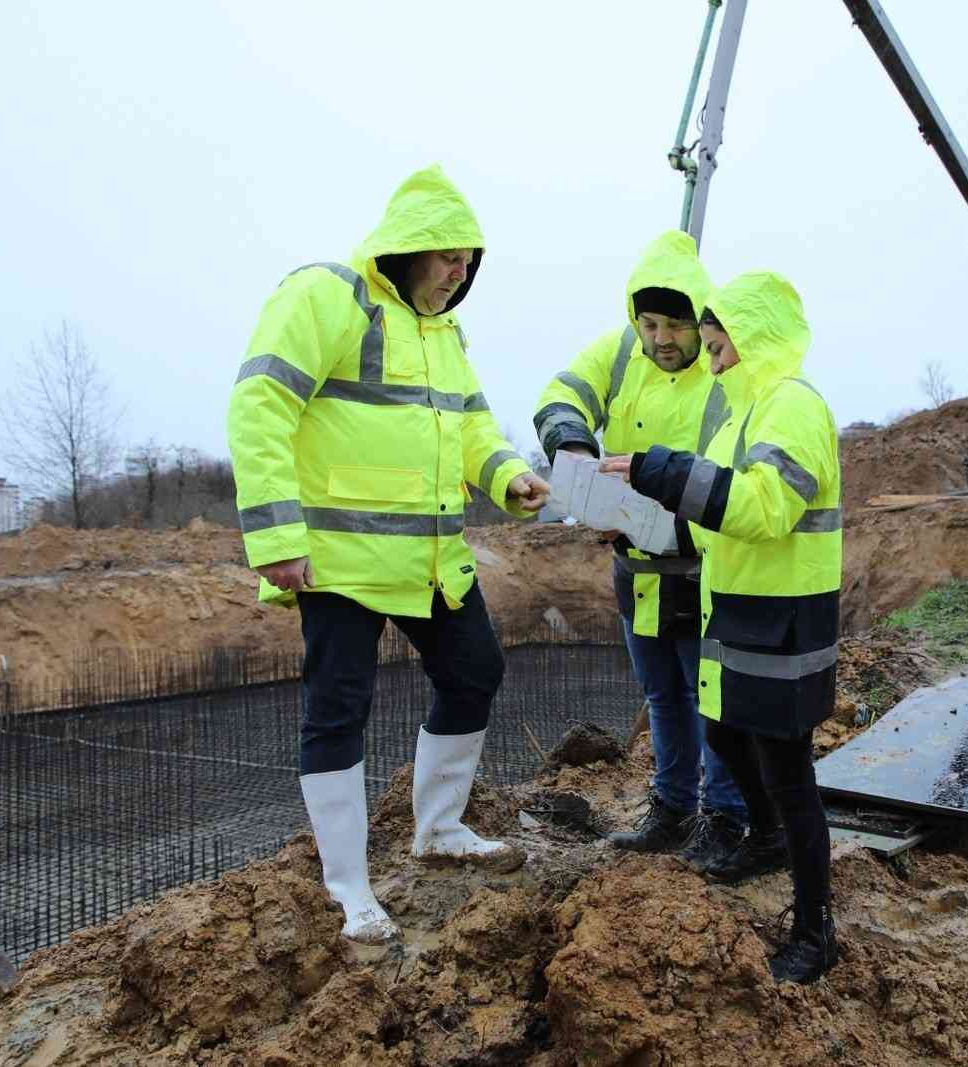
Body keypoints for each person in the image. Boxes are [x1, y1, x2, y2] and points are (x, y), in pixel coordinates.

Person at [227, 165, 551, 945]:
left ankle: (437, 829)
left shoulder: (446, 335)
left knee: (475, 671)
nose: (461, 271)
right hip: (338, 562)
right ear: (410, 248)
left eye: (470, 260)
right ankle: (350, 890)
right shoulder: (327, 297)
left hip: (432, 560)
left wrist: (509, 477)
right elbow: (259, 403)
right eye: (449, 256)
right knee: (337, 710)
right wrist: (275, 537)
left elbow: (472, 427)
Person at [599, 271, 842, 984]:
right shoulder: (743, 414)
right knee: (727, 732)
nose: (712, 361)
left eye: (719, 347)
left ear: (755, 338)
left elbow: (764, 507)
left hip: (786, 613)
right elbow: (715, 514)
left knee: (789, 771)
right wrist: (635, 513)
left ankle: (814, 928)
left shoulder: (791, 406)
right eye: (708, 349)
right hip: (737, 606)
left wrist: (661, 471)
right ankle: (765, 836)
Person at [532, 231, 748, 869]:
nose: (661, 339)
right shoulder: (622, 351)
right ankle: (672, 808)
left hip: (704, 568)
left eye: (676, 325)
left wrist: (669, 527)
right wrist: (572, 444)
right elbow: (561, 393)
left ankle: (728, 818)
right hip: (637, 569)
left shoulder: (722, 370)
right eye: (649, 323)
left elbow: (735, 483)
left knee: (712, 698)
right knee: (662, 697)